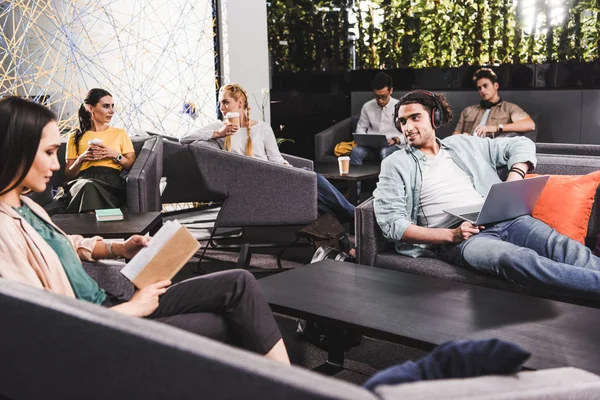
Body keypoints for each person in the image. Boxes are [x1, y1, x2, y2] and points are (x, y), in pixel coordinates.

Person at [0, 96, 290, 364]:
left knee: (239, 282)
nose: (55, 163)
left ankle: (287, 384)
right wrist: (134, 309)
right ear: (16, 151)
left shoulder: (27, 206)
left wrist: (120, 247)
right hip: (100, 328)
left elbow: (66, 243)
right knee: (227, 324)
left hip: (110, 304)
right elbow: (39, 324)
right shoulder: (3, 231)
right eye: (50, 152)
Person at [374, 90, 600, 301]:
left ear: (435, 117)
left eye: (415, 118)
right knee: (515, 260)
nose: (407, 127)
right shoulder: (395, 163)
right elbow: (393, 225)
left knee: (563, 247)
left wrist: (516, 174)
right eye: (402, 122)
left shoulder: (462, 144)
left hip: (505, 218)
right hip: (464, 238)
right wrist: (451, 235)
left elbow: (521, 143)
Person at [180, 83, 355, 224]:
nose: (222, 108)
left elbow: (275, 159)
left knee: (309, 182)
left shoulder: (262, 127)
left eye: (226, 102)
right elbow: (184, 138)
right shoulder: (219, 128)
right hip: (249, 183)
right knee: (310, 180)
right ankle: (353, 215)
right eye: (220, 103)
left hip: (272, 176)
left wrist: (289, 169)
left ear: (239, 103)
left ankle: (348, 219)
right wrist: (218, 133)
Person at [64, 88, 135, 213]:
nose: (111, 111)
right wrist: (81, 158)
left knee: (89, 187)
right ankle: (93, 226)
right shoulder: (75, 136)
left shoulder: (120, 133)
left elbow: (132, 166)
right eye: (106, 106)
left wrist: (115, 155)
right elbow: (68, 174)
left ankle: (86, 227)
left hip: (111, 181)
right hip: (82, 180)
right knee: (87, 186)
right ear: (90, 108)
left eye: (112, 106)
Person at [452, 68, 535, 138]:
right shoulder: (468, 111)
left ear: (496, 86)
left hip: (492, 148)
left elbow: (530, 125)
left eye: (485, 86)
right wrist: (462, 138)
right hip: (468, 147)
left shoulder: (509, 108)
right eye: (479, 88)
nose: (482, 90)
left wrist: (497, 127)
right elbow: (456, 133)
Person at [350, 71, 403, 165]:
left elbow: (408, 133)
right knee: (356, 151)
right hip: (371, 147)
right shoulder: (367, 106)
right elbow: (361, 127)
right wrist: (364, 139)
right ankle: (355, 180)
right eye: (377, 97)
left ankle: (387, 179)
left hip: (393, 146)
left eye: (383, 97)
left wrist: (396, 139)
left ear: (391, 91)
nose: (380, 101)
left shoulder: (400, 107)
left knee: (384, 152)